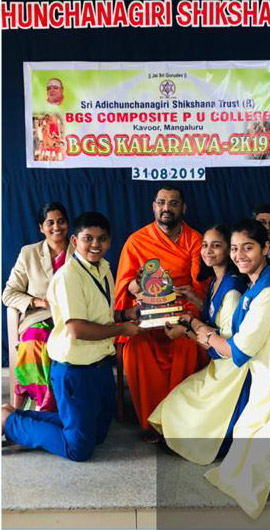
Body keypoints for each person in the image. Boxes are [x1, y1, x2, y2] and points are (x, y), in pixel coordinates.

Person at [152, 219, 270, 519]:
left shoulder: (269, 293)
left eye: (247, 248)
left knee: (269, 474)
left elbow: (238, 350)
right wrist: (199, 328)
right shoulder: (254, 284)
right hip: (269, 380)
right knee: (241, 464)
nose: (239, 255)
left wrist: (202, 333)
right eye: (235, 249)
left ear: (265, 248)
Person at [1, 212, 141, 461]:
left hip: (101, 366)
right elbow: (77, 329)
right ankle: (9, 421)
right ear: (75, 241)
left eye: (102, 239)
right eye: (88, 238)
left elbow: (100, 315)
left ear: (109, 242)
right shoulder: (68, 276)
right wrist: (123, 330)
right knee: (79, 450)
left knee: (98, 435)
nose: (95, 244)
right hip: (75, 370)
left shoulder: (104, 269)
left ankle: (17, 415)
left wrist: (124, 314)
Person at [148, 225, 249, 464]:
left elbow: (225, 346)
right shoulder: (217, 280)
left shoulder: (232, 290)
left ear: (230, 250)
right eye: (204, 245)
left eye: (216, 246)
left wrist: (185, 331)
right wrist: (194, 300)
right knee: (179, 398)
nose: (208, 251)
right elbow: (214, 316)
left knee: (186, 402)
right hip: (220, 362)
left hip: (231, 369)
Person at [114, 185, 208, 438]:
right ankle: (151, 423)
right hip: (146, 314)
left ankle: (179, 422)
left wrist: (183, 310)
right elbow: (124, 284)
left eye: (173, 203)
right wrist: (139, 288)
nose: (167, 208)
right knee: (137, 350)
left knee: (187, 347)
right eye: (161, 202)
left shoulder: (195, 240)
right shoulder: (137, 241)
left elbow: (199, 286)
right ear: (154, 207)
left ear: (183, 208)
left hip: (182, 313)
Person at [2, 203, 74, 411]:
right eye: (50, 223)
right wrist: (37, 302)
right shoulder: (29, 253)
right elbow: (9, 294)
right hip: (39, 317)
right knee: (35, 342)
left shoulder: (80, 250)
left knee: (72, 342)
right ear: (41, 227)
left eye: (61, 221)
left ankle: (62, 406)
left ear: (67, 224)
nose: (56, 227)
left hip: (72, 316)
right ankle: (45, 406)